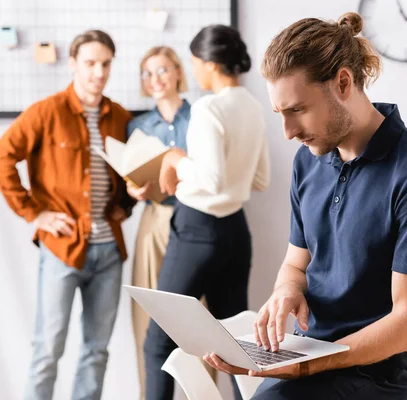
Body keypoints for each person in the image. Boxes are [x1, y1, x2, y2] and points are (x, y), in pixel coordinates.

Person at [203, 12, 407, 400]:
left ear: (343, 82)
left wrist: (306, 366)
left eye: (297, 110)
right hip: (311, 358)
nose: (288, 132)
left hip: (380, 376)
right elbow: (296, 263)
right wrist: (286, 291)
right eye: (281, 114)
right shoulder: (308, 160)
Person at [0, 30, 135, 400]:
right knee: (48, 349)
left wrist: (126, 205)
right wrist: (34, 214)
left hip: (109, 252)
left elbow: (132, 172)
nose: (98, 72)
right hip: (62, 249)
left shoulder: (119, 116)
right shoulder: (46, 112)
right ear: (72, 64)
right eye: (90, 64)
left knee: (96, 351)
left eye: (105, 64)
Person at [143, 24, 271, 400]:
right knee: (234, 345)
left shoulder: (208, 107)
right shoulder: (252, 105)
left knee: (157, 343)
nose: (193, 71)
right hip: (235, 232)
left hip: (196, 231)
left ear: (209, 64)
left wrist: (175, 158)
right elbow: (261, 179)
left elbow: (211, 180)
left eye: (194, 63)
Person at [125, 46, 191, 400]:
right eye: (147, 73)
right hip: (154, 220)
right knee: (148, 319)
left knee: (197, 317)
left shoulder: (199, 117)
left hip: (194, 219)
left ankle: (199, 391)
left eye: (162, 70)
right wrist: (135, 187)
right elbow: (131, 177)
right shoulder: (138, 126)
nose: (155, 80)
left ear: (178, 72)